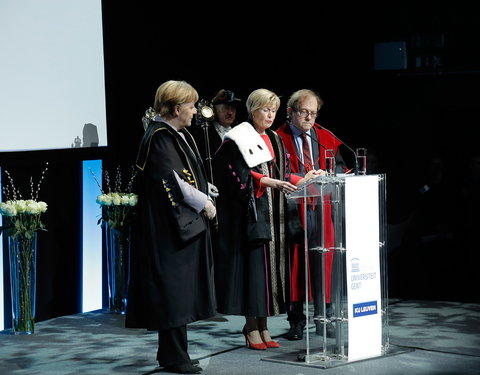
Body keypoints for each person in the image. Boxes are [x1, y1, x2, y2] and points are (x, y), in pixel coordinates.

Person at [213, 88, 321, 350]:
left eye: (273, 110)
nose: (270, 114)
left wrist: (303, 179)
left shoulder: (274, 137)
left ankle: (263, 326)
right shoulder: (237, 138)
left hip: (275, 216)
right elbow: (235, 174)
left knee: (268, 276)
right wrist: (267, 182)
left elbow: (283, 172)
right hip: (252, 216)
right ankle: (251, 327)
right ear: (252, 111)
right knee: (254, 273)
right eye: (265, 109)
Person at [126, 80, 217, 374]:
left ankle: (174, 353)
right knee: (174, 293)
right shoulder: (160, 137)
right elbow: (174, 183)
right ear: (177, 108)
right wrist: (205, 203)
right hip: (169, 230)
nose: (195, 111)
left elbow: (184, 175)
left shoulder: (172, 134)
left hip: (178, 225)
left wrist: (206, 188)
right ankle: (174, 356)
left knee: (179, 292)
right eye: (191, 106)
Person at [276, 89, 346, 340]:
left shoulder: (324, 136)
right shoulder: (277, 138)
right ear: (291, 112)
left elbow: (339, 166)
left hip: (324, 207)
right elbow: (275, 171)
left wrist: (330, 175)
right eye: (304, 112)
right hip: (294, 208)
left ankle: (324, 318)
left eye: (313, 113)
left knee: (323, 263)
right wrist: (300, 179)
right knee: (296, 265)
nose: (309, 118)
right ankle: (296, 321)